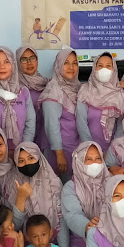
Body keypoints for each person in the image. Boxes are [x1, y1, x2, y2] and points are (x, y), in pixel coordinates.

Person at [4, 143, 71, 247]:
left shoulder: (54, 183)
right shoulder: (13, 185)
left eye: (31, 158)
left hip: (52, 244)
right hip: (25, 246)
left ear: (40, 158)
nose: (27, 164)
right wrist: (21, 198)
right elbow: (14, 226)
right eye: (21, 161)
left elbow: (61, 220)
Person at [62, 141, 110, 247]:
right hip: (82, 239)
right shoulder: (70, 187)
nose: (94, 163)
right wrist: (87, 226)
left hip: (110, 237)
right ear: (79, 161)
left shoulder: (112, 181)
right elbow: (72, 215)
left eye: (98, 158)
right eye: (88, 159)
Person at [39, 48, 80, 180]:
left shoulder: (77, 88)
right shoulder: (53, 91)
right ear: (58, 66)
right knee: (58, 186)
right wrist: (59, 154)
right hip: (58, 152)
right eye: (66, 63)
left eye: (74, 63)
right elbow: (52, 126)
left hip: (74, 148)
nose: (71, 67)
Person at [76, 52, 124, 152]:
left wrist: (112, 152)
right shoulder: (85, 91)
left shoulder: (120, 95)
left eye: (108, 66)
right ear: (94, 69)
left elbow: (121, 127)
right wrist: (91, 149)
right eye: (100, 66)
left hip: (112, 151)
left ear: (114, 70)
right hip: (88, 150)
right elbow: (81, 123)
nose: (104, 69)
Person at [16, 45, 50, 154]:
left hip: (43, 137)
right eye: (24, 59)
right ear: (17, 62)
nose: (29, 63)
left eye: (32, 58)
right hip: (22, 138)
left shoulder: (47, 84)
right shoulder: (14, 86)